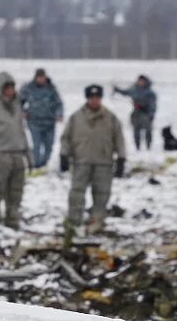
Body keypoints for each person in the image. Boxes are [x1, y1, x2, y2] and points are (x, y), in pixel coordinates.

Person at [60, 85, 126, 235]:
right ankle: (74, 221)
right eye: (91, 98)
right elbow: (66, 138)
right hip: (81, 161)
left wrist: (121, 158)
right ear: (87, 99)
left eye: (97, 98)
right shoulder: (76, 117)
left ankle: (97, 221)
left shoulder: (111, 118)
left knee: (102, 194)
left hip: (104, 162)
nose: (94, 101)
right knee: (77, 193)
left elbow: (119, 139)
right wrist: (64, 155)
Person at [0, 72, 30, 229]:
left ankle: (13, 218)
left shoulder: (16, 106)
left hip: (17, 154)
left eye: (12, 87)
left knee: (16, 191)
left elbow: (21, 130)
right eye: (7, 87)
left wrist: (28, 154)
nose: (11, 90)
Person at [19, 68, 64, 169]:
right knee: (36, 145)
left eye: (43, 77)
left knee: (49, 146)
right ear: (36, 78)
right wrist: (22, 111)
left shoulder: (51, 88)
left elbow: (58, 103)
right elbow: (19, 101)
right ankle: (36, 164)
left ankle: (44, 163)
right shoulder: (28, 88)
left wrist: (59, 114)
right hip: (34, 122)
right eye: (39, 77)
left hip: (49, 122)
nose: (41, 79)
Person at [113, 75, 157, 151]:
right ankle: (137, 147)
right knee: (136, 130)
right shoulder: (134, 89)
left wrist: (151, 114)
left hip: (146, 113)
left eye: (142, 81)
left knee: (148, 131)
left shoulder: (150, 93)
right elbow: (125, 92)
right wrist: (117, 90)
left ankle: (148, 147)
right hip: (136, 113)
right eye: (139, 81)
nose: (140, 82)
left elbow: (153, 104)